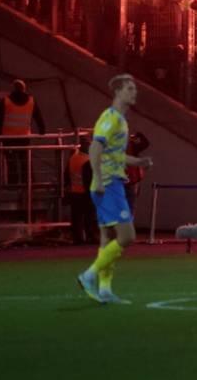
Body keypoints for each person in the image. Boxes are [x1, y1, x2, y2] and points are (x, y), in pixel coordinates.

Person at [77, 74, 153, 305]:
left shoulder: (119, 119)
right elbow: (94, 148)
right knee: (127, 236)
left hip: (109, 183)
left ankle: (105, 290)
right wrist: (99, 179)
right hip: (109, 184)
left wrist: (137, 162)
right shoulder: (111, 119)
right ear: (118, 91)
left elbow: (113, 153)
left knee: (107, 238)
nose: (134, 92)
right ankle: (88, 276)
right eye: (130, 89)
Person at [0, 78, 45, 184]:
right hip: (24, 137)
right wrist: (42, 130)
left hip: (8, 138)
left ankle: (13, 184)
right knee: (25, 161)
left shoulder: (6, 101)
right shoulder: (31, 101)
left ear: (13, 88)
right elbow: (38, 117)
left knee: (11, 163)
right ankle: (27, 182)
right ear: (24, 88)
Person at [65, 136, 97, 245]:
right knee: (89, 216)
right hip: (85, 193)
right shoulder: (87, 160)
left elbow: (66, 176)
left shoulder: (73, 158)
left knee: (76, 217)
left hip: (74, 192)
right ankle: (90, 236)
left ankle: (77, 238)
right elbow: (89, 179)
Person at [123, 131, 150, 210]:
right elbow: (145, 143)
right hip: (132, 180)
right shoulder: (131, 147)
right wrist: (138, 134)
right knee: (130, 205)